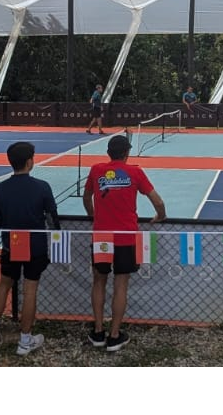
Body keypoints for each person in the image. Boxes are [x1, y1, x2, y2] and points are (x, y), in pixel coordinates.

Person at [83, 134, 167, 353]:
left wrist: (94, 217)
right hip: (126, 236)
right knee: (121, 285)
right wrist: (160, 215)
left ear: (108, 152)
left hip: (101, 236)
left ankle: (99, 331)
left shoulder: (96, 170)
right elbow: (157, 201)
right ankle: (114, 336)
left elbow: (86, 197)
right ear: (127, 153)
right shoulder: (136, 172)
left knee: (99, 281)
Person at [0, 141, 61, 356]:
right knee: (30, 289)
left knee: (4, 284)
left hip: (11, 244)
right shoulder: (42, 187)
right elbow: (53, 219)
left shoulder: (0, 188)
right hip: (35, 246)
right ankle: (25, 341)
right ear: (29, 162)